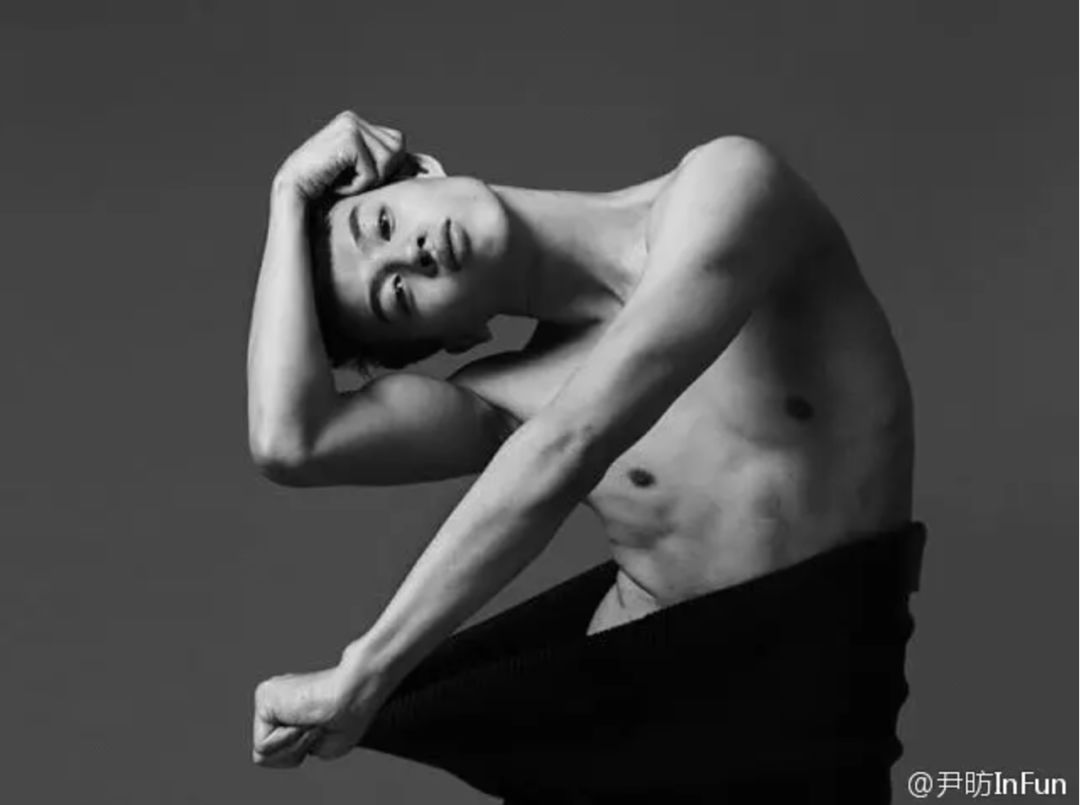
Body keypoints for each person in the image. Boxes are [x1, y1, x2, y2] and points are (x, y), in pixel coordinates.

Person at [246, 111, 925, 803]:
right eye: (398, 296)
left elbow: (572, 441)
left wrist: (368, 667)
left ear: (421, 173)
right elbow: (293, 442)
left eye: (382, 224)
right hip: (629, 725)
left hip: (815, 716)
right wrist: (287, 196)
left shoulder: (730, 185)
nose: (408, 254)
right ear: (458, 337)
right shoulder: (509, 398)